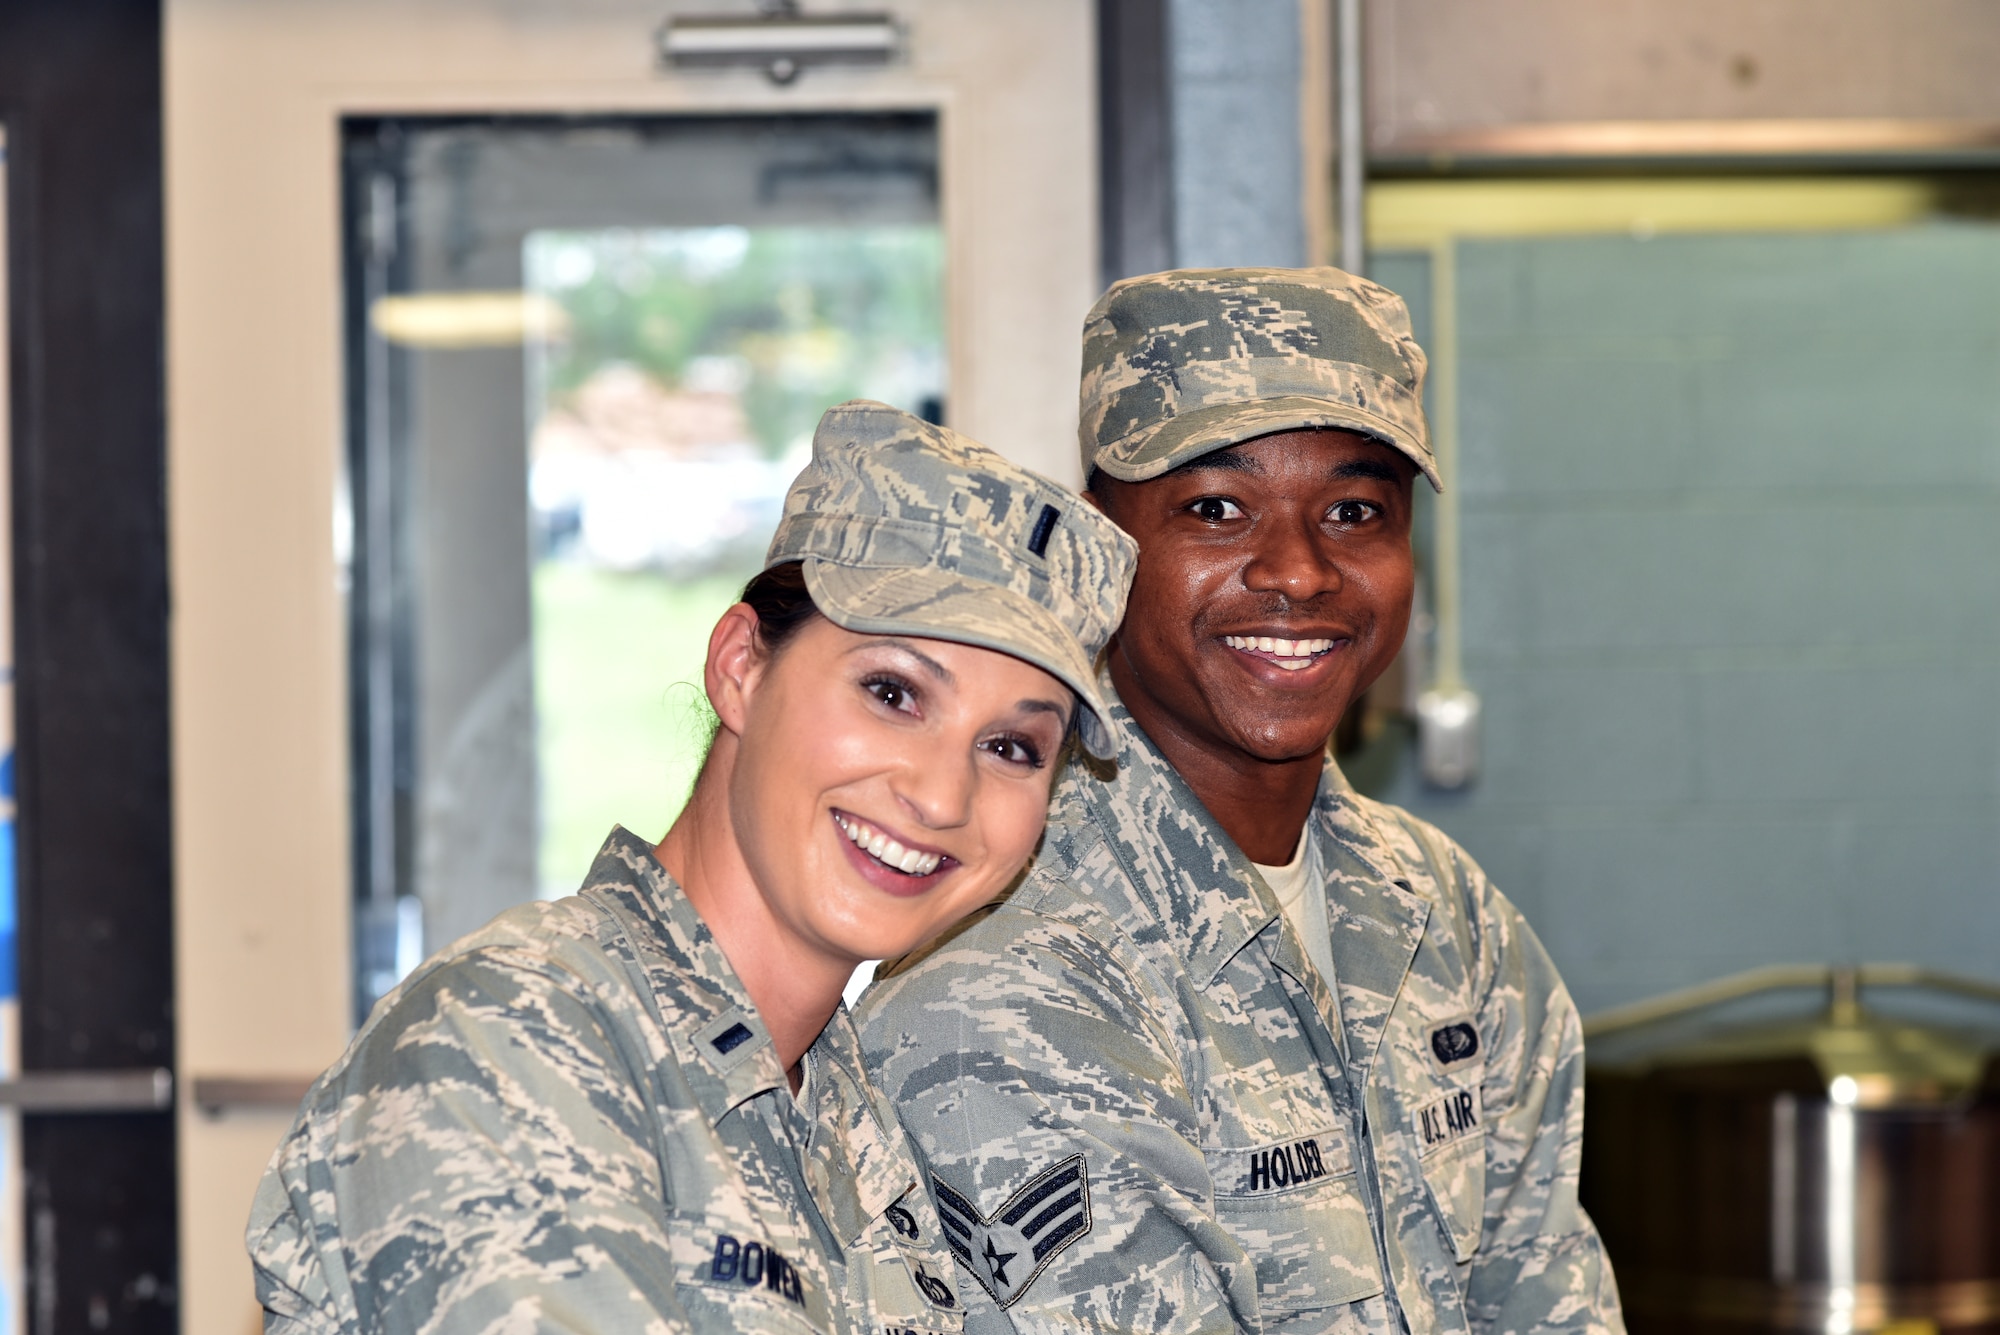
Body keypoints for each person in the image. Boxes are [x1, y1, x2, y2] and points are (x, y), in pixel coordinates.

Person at [246, 399, 1139, 1335]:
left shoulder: (839, 1107)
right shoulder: (514, 1033)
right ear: (741, 666)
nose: (943, 796)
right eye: (893, 692)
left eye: (1012, 747)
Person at [856, 270, 1625, 1335]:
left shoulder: (1443, 918)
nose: (1298, 572)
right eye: (1214, 509)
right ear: (1098, 549)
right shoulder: (1001, 973)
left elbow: (1547, 1297)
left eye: (1353, 512)